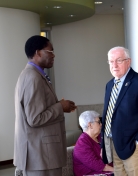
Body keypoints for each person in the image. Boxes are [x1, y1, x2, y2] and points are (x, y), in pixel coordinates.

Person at [13, 35, 77, 176]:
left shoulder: (34, 75)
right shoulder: (33, 78)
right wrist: (60, 107)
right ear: (38, 52)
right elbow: (35, 118)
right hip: (41, 156)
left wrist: (61, 106)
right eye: (50, 51)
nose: (53, 55)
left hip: (42, 156)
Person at [101, 46, 138, 176]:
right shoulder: (109, 85)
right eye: (111, 61)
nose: (114, 65)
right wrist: (103, 145)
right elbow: (108, 115)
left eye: (119, 60)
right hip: (113, 145)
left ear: (128, 61)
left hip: (133, 148)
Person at [73, 111, 114, 176]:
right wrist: (118, 170)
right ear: (90, 125)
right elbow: (98, 166)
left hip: (106, 171)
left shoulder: (100, 137)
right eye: (98, 122)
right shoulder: (82, 144)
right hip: (91, 173)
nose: (101, 124)